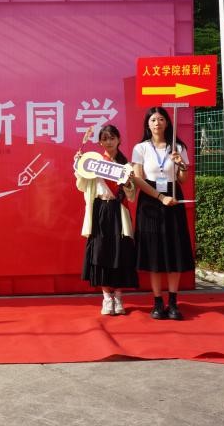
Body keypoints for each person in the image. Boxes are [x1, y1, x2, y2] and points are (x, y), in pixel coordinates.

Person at [132, 107, 194, 320]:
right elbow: (138, 179)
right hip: (150, 201)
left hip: (173, 197)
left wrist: (181, 165)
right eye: (153, 120)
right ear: (147, 124)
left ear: (167, 122)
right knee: (154, 252)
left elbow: (183, 179)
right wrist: (160, 197)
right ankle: (158, 302)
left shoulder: (178, 147)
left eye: (160, 119)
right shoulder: (140, 148)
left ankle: (173, 302)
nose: (157, 123)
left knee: (174, 250)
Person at [75, 125, 139, 315]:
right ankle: (106, 298)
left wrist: (128, 183)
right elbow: (82, 184)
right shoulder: (94, 162)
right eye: (104, 139)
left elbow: (131, 194)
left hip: (118, 210)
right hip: (99, 210)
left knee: (120, 252)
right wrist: (79, 165)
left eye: (112, 138)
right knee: (100, 252)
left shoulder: (126, 165)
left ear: (119, 140)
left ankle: (118, 297)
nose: (108, 142)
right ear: (99, 142)